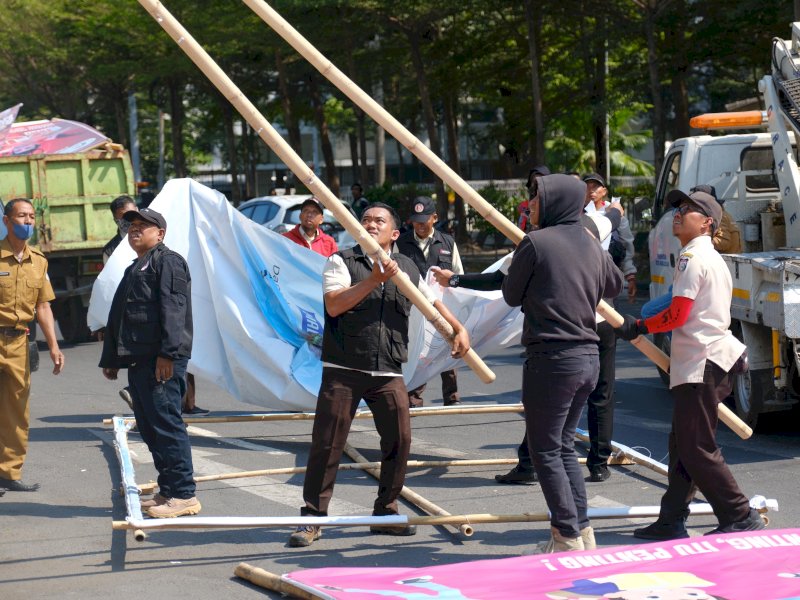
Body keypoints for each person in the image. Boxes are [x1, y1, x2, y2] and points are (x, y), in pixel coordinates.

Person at [288, 202, 470, 547]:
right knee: (328, 445)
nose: (371, 225)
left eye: (379, 221)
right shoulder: (342, 260)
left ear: (394, 233)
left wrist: (458, 328)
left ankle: (385, 510)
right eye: (366, 220)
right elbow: (334, 304)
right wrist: (373, 279)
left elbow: (430, 303)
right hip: (344, 368)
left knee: (400, 440)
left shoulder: (406, 266)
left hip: (388, 369)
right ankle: (311, 518)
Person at [616, 187, 764, 540]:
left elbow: (677, 314)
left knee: (696, 446)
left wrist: (639, 326)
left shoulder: (693, 258)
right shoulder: (706, 255)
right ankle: (671, 519)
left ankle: (739, 514)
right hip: (705, 360)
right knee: (682, 445)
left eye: (689, 209)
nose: (679, 213)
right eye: (678, 208)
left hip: (702, 363)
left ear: (707, 223)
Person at [502, 174, 622, 553]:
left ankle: (566, 535)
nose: (531, 207)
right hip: (587, 356)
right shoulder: (590, 243)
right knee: (564, 445)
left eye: (537, 200)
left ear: (556, 203)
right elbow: (615, 285)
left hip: (551, 357)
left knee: (545, 450)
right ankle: (581, 530)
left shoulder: (536, 242)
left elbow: (510, 294)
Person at [99, 207, 200, 518]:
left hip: (162, 362)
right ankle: (168, 489)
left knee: (167, 425)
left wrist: (168, 354)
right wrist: (113, 359)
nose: (135, 230)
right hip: (140, 361)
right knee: (149, 426)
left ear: (161, 233)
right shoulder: (136, 267)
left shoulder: (167, 262)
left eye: (143, 226)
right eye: (132, 226)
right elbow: (121, 317)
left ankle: (183, 494)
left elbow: (174, 310)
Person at [0, 198, 65, 493]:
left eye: (30, 217)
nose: (26, 222)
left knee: (17, 411)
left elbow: (43, 307)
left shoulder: (39, 261)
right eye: (20, 216)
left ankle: (9, 473)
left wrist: (54, 346)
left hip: (18, 343)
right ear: (6, 221)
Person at [581, 173, 635, 482]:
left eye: (594, 186)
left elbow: (623, 243)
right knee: (578, 392)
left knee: (599, 391)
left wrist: (627, 274)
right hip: (584, 318)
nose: (590, 191)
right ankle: (538, 459)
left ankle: (599, 460)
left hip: (598, 315)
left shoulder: (607, 216)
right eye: (586, 187)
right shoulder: (586, 220)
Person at [396, 195, 464, 407]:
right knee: (418, 350)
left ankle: (451, 397)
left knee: (447, 346)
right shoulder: (401, 242)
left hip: (442, 305)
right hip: (412, 306)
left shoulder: (447, 242)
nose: (420, 225)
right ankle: (413, 397)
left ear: (434, 218)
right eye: (416, 221)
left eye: (424, 220)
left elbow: (459, 275)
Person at [102, 195, 138, 264]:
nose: (130, 217)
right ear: (116, 219)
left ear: (137, 210)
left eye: (132, 213)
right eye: (125, 215)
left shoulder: (152, 237)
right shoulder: (110, 251)